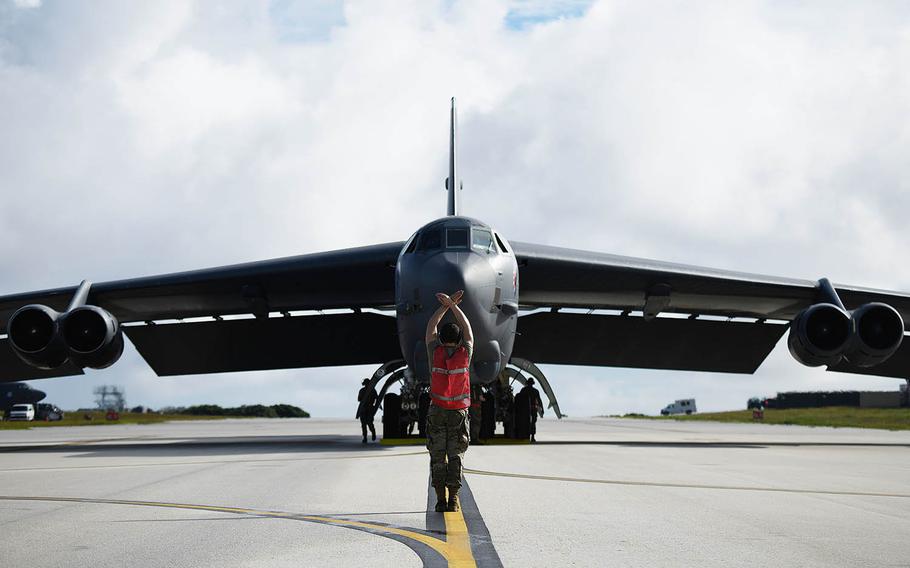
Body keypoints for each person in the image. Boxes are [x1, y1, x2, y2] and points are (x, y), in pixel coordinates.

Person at [425, 289, 473, 513]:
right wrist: (454, 306)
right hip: (458, 414)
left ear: (441, 339)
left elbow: (430, 328)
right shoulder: (465, 353)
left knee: (437, 457)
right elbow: (468, 330)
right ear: (459, 339)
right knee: (455, 456)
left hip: (437, 412)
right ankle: (453, 499)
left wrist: (444, 306)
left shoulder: (434, 352)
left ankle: (439, 499)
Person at [520, 378, 544, 443]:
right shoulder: (535, 391)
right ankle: (532, 437)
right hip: (533, 409)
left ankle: (526, 436)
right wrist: (542, 409)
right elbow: (539, 400)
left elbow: (519, 400)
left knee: (524, 423)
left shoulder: (523, 390)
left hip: (525, 410)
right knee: (533, 423)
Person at [356, 378, 377, 444]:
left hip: (367, 408)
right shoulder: (372, 390)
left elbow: (359, 399)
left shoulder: (367, 390)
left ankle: (371, 434)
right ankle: (366, 437)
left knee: (368, 423)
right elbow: (359, 399)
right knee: (365, 424)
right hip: (366, 408)